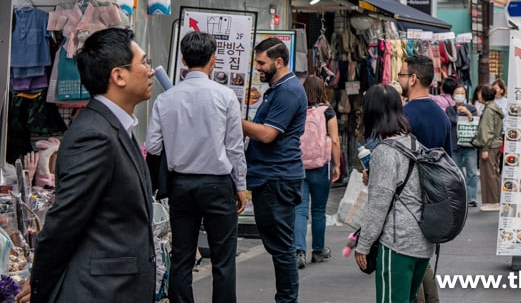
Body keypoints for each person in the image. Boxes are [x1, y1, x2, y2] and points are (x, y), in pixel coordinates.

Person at [21, 27, 156, 303]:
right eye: (144, 62)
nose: (151, 71)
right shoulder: (94, 134)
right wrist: (38, 287)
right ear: (118, 76)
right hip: (101, 292)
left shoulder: (116, 127)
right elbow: (65, 221)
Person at [146, 30, 247, 303]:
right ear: (213, 60)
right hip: (218, 183)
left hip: (181, 185)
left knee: (182, 256)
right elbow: (235, 147)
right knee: (223, 260)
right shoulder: (226, 96)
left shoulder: (166, 99)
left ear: (183, 60)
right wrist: (241, 186)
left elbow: (153, 146)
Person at [241, 37, 307, 303]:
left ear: (279, 62)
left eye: (261, 62)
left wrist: (234, 120)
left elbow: (268, 134)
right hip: (270, 176)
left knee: (282, 249)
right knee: (279, 246)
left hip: (277, 177)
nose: (257, 68)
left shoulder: (288, 91)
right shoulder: (279, 89)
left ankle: (287, 300)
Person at [354, 85, 433, 303]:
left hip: (399, 242)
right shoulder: (415, 143)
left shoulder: (385, 151)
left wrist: (363, 245)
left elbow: (378, 205)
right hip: (423, 240)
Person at [294, 75, 340, 269]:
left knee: (300, 209)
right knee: (319, 210)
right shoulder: (328, 112)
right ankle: (318, 250)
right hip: (321, 166)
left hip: (299, 165)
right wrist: (337, 165)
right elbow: (335, 141)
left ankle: (299, 251)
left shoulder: (298, 110)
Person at [396, 54, 454, 156]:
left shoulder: (402, 115)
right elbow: (447, 160)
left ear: (413, 79)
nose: (397, 79)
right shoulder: (443, 117)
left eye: (401, 74)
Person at [474, 85, 504, 211]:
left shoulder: (488, 110)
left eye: (480, 93)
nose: (478, 96)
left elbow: (487, 131)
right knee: (494, 173)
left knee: (489, 174)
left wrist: (485, 148)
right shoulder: (494, 108)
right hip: (496, 144)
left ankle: (492, 201)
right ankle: (496, 199)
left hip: (489, 146)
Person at [451, 85, 480, 208]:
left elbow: (475, 121)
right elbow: (451, 121)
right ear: (453, 95)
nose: (459, 95)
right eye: (457, 92)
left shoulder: (472, 108)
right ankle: (459, 197)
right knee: (456, 172)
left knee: (472, 172)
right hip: (455, 143)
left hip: (469, 144)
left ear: (465, 95)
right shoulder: (449, 109)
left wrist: (468, 114)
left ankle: (472, 197)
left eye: (462, 93)